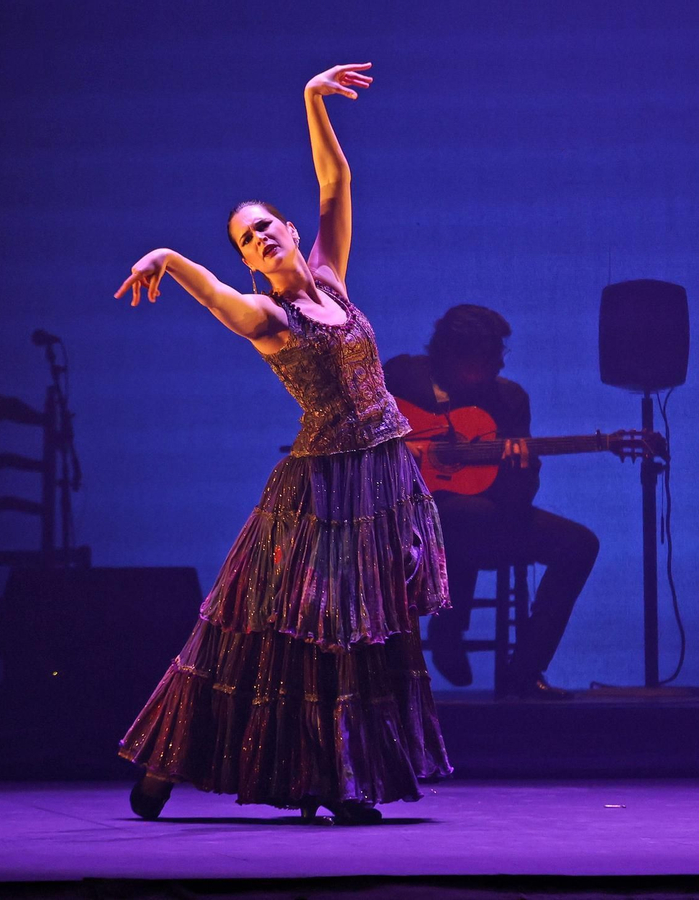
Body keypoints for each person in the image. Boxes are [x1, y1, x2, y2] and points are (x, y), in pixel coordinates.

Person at [112, 63, 452, 823]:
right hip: (320, 494)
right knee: (280, 635)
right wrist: (167, 258)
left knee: (363, 634)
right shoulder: (269, 321)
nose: (261, 238)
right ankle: (173, 764)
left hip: (381, 482)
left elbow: (336, 185)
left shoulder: (331, 281)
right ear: (246, 261)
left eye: (267, 225)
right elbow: (218, 297)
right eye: (246, 240)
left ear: (290, 231)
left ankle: (338, 776)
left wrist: (309, 100)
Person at [384, 306, 600, 700]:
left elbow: (518, 500)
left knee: (579, 544)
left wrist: (518, 470)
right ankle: (447, 626)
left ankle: (525, 671)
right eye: (488, 355)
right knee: (462, 514)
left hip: (493, 523)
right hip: (408, 523)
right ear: (451, 355)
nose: (499, 362)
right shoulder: (400, 379)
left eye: (500, 352)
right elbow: (354, 430)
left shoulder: (508, 398)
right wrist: (402, 450)